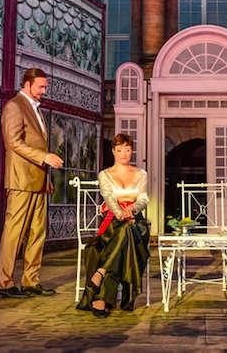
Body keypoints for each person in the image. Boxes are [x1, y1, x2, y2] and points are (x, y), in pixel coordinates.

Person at [0, 68, 64, 299]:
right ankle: (5, 284)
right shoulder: (15, 106)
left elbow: (36, 143)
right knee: (14, 234)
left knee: (37, 233)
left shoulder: (36, 109)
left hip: (38, 180)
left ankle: (30, 280)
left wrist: (46, 177)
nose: (44, 91)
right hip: (21, 181)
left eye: (45, 86)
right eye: (41, 87)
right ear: (27, 84)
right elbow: (13, 142)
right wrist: (44, 158)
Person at [76, 134, 150, 317]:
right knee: (124, 232)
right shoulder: (105, 174)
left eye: (127, 149)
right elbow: (109, 199)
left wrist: (132, 209)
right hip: (113, 220)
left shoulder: (141, 174)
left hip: (136, 221)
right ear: (113, 152)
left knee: (128, 230)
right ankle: (105, 296)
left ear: (132, 151)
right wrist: (121, 213)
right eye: (119, 150)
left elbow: (143, 198)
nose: (124, 154)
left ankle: (101, 275)